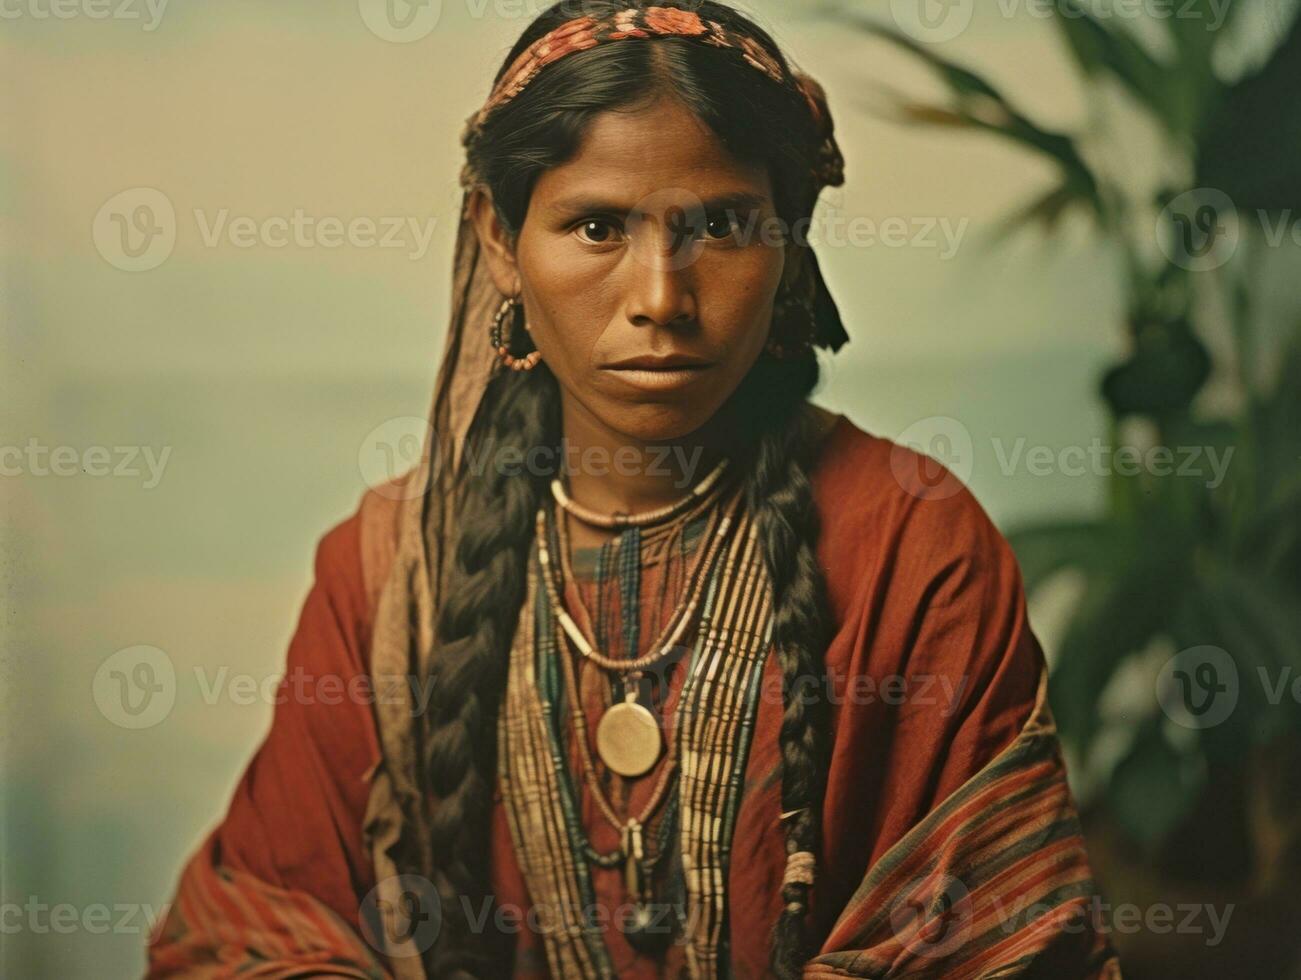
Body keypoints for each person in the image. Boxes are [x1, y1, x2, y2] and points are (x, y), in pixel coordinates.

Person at [146, 3, 1122, 977]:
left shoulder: (912, 547)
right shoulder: (387, 572)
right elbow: (249, 934)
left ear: (788, 239)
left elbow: (999, 945)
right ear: (499, 235)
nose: (660, 294)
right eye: (598, 225)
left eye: (721, 225)